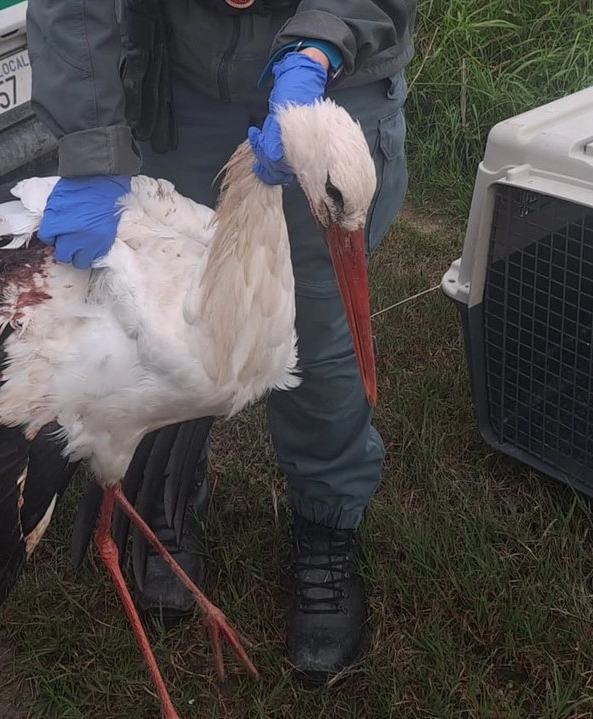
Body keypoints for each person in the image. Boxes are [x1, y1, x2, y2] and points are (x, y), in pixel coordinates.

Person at [25, 0, 415, 682]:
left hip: (335, 73)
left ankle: (325, 525)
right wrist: (90, 148)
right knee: (169, 330)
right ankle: (169, 495)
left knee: (320, 342)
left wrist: (318, 46)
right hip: (186, 83)